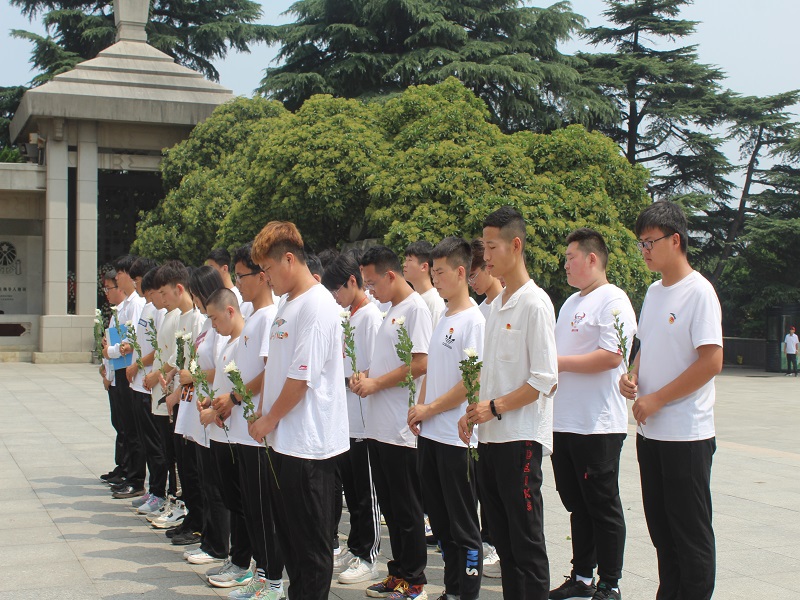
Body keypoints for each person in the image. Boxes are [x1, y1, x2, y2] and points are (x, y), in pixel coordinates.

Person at [619, 201, 723, 600]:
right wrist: (632, 377)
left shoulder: (699, 293)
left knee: (690, 534)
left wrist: (659, 398)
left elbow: (711, 361)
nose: (644, 251)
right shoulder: (653, 292)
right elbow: (645, 345)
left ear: (675, 240)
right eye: (641, 243)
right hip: (652, 434)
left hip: (686, 436)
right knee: (662, 531)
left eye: (650, 242)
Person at [458, 206, 558, 600]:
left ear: (515, 246)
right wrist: (474, 412)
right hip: (491, 439)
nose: (485, 256)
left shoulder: (535, 304)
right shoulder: (496, 307)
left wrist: (494, 407)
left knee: (526, 541)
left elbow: (544, 380)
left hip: (520, 440)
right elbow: (490, 372)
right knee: (504, 541)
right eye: (483, 247)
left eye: (492, 247)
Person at [249, 221, 349, 600]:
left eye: (268, 269)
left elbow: (301, 378)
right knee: (291, 542)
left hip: (309, 447)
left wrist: (269, 419)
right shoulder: (287, 303)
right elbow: (277, 368)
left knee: (311, 550)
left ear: (289, 259)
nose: (266, 278)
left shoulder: (318, 305)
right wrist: (265, 414)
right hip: (284, 443)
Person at [549, 229, 636, 600]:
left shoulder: (613, 299)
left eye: (571, 257)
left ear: (592, 258)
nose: (565, 264)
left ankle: (610, 582)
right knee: (577, 505)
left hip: (597, 424)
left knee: (602, 505)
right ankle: (582, 577)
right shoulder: (570, 302)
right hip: (564, 422)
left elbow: (611, 356)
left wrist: (557, 363)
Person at [351, 245, 432, 600]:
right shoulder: (390, 310)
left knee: (407, 509)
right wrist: (366, 376)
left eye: (372, 282)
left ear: (390, 275)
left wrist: (376, 383)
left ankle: (414, 581)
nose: (369, 290)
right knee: (390, 508)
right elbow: (389, 363)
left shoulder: (415, 309)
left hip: (401, 427)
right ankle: (397, 573)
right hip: (379, 427)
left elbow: (420, 363)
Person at [409, 237, 485, 600]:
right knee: (440, 523)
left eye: (440, 272)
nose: (434, 279)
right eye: (433, 272)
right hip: (431, 435)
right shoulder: (443, 316)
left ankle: (466, 593)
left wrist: (430, 409)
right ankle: (452, 590)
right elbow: (434, 371)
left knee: (463, 526)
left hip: (457, 440)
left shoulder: (475, 321)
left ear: (460, 272)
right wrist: (420, 408)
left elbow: (471, 383)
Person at [213, 243, 285, 600]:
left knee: (263, 512)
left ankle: (273, 582)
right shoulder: (254, 318)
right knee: (252, 511)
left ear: (262, 276)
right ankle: (262, 575)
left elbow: (271, 372)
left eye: (242, 276)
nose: (238, 283)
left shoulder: (269, 317)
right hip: (243, 431)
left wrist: (236, 398)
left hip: (257, 432)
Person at [321, 253, 383, 585]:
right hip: (347, 417)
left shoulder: (370, 317)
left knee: (365, 493)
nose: (335, 297)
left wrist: (350, 380)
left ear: (352, 282)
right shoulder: (350, 316)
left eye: (337, 290)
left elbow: (376, 367)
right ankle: (357, 546)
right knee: (352, 490)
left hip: (363, 417)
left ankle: (369, 555)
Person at [104, 255, 147, 499]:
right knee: (126, 426)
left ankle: (136, 478)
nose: (117, 278)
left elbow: (132, 343)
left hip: (130, 369)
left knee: (133, 428)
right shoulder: (127, 306)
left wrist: (111, 351)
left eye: (120, 273)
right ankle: (129, 473)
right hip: (122, 368)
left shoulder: (137, 304)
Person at [405, 240, 446, 328]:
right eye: (405, 260)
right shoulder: (411, 298)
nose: (404, 264)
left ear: (424, 267)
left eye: (409, 260)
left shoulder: (434, 301)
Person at [469, 238, 504, 321]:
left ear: (487, 266)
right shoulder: (479, 313)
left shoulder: (509, 303)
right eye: (468, 279)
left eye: (472, 276)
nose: (471, 283)